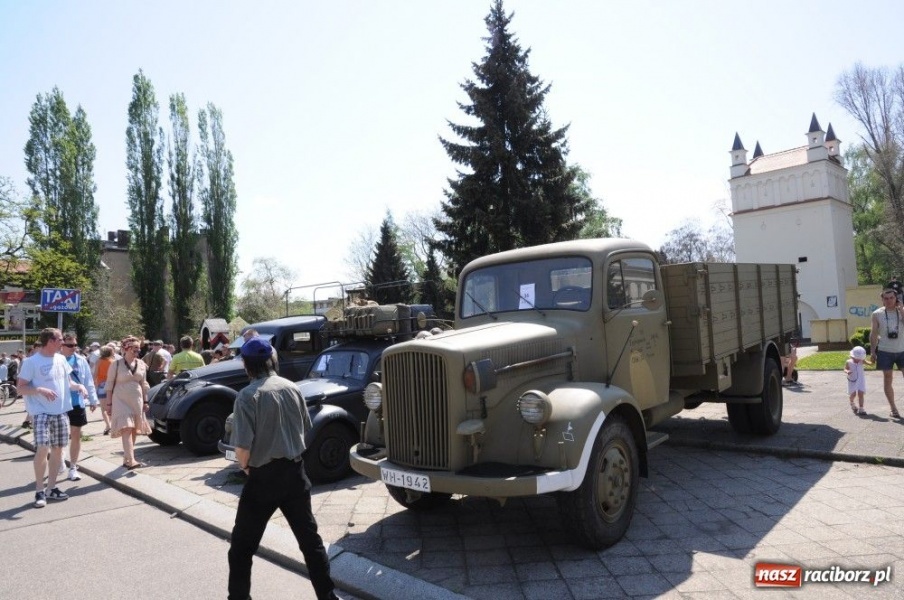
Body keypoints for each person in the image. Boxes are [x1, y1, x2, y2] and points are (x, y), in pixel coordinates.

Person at [227, 337, 338, 600]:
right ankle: (328, 596)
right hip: (295, 474)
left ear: (246, 365)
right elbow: (304, 429)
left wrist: (245, 467)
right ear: (271, 361)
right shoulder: (292, 388)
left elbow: (242, 449)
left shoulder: (246, 396)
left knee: (242, 548)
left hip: (262, 480)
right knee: (311, 543)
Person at [18, 328, 87, 508]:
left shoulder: (61, 359)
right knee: (42, 448)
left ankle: (51, 488)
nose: (63, 342)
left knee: (57, 450)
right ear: (50, 341)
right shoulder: (31, 362)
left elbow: (67, 382)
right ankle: (39, 490)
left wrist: (79, 387)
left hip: (61, 411)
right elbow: (20, 388)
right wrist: (39, 390)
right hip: (41, 412)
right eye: (60, 339)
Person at [104, 336, 152, 469]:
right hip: (120, 399)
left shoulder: (141, 364)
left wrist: (146, 401)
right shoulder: (116, 364)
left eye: (138, 348)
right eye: (134, 348)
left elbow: (143, 384)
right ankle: (131, 460)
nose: (137, 351)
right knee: (126, 428)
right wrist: (109, 404)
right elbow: (109, 385)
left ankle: (126, 458)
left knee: (134, 429)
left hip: (136, 399)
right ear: (126, 349)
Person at [61, 332, 99, 481]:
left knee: (76, 434)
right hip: (60, 403)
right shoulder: (56, 360)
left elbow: (88, 380)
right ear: (62, 345)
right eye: (70, 345)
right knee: (61, 435)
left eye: (75, 345)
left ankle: (73, 467)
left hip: (77, 402)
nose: (73, 348)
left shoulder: (81, 360)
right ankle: (60, 456)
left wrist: (93, 398)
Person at [870, 289, 904, 419]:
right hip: (885, 351)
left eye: (891, 298)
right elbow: (873, 333)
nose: (889, 301)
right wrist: (873, 351)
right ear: (882, 300)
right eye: (886, 298)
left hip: (902, 349)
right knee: (888, 378)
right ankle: (893, 408)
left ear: (896, 298)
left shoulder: (901, 311)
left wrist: (901, 310)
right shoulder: (877, 314)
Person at [94, 345, 115, 435]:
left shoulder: (98, 361)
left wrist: (95, 386)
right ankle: (111, 424)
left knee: (103, 408)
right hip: (111, 385)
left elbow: (95, 374)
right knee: (111, 406)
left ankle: (108, 425)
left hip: (101, 385)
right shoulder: (113, 362)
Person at [845, 346, 871, 415]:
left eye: (860, 359)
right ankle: (852, 402)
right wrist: (847, 371)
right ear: (852, 356)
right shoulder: (848, 362)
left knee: (861, 394)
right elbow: (845, 369)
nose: (858, 360)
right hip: (852, 380)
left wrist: (873, 360)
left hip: (860, 380)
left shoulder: (861, 361)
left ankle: (861, 408)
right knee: (853, 394)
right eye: (856, 358)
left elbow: (870, 363)